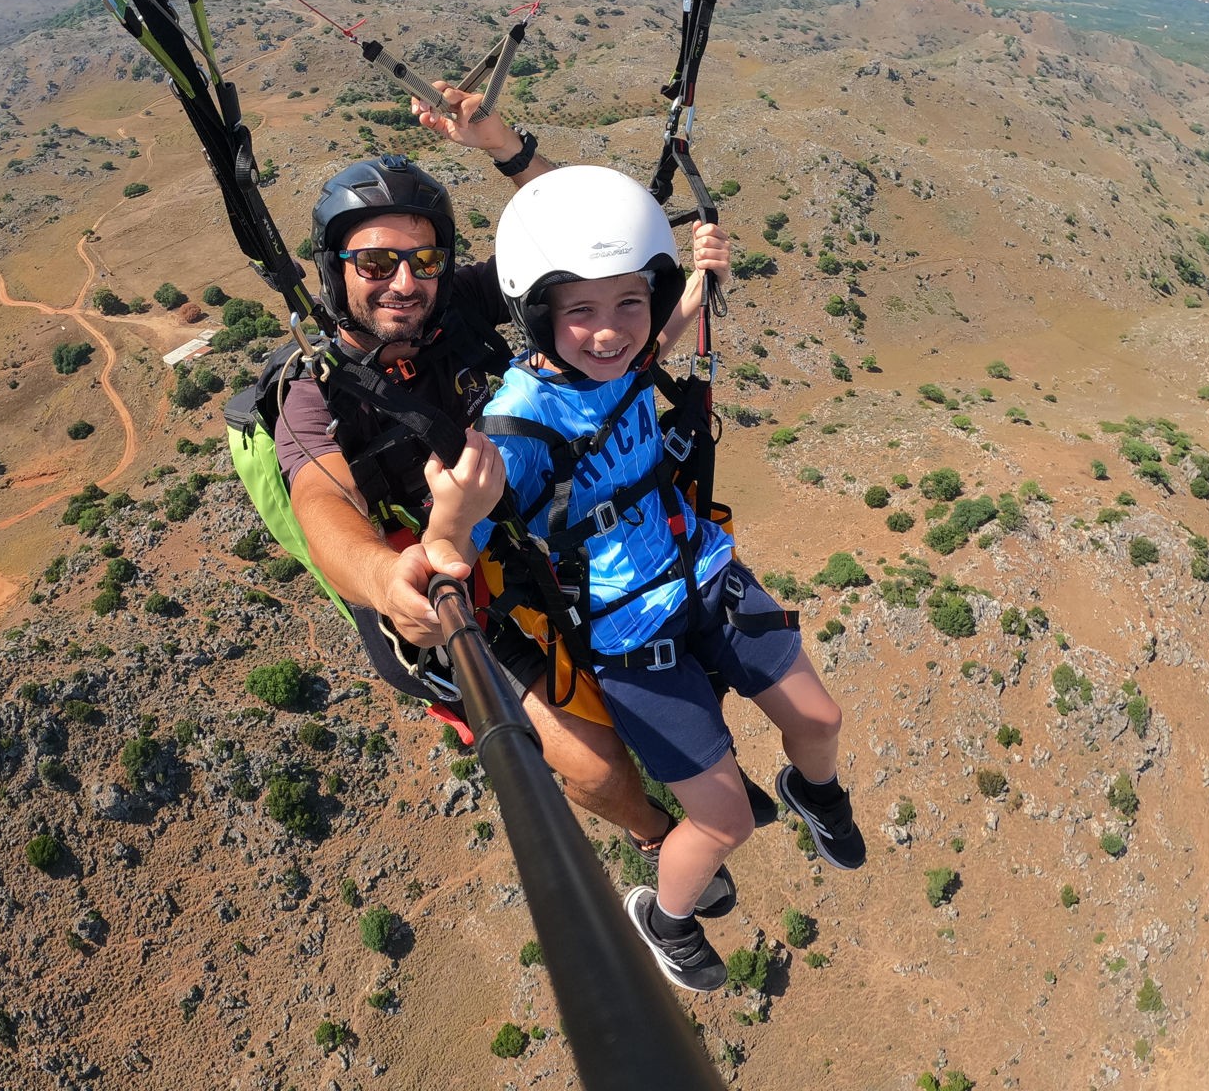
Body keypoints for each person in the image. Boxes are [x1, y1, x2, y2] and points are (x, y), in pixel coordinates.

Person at [271, 89, 727, 904]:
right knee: (588, 760)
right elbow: (319, 504)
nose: (404, 283)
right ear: (334, 271)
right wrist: (383, 580)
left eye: (424, 260)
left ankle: (698, 789)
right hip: (453, 585)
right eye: (375, 264)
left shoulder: (462, 308)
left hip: (544, 523)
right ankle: (654, 835)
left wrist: (505, 147)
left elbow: (594, 246)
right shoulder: (316, 395)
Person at [421, 164, 864, 993]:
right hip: (628, 633)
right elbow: (443, 558)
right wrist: (449, 520)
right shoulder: (513, 429)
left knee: (820, 718)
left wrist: (701, 274)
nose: (609, 331)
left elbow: (657, 333)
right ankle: (666, 917)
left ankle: (814, 794)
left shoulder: (620, 356)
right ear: (536, 314)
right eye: (580, 310)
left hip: (702, 569)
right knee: (723, 820)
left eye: (629, 303)